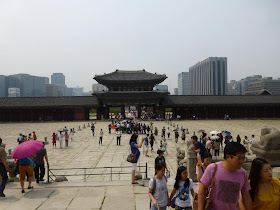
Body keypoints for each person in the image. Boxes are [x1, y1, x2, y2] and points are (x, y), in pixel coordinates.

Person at [198, 142, 252, 210]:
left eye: (243, 159)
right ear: (228, 156)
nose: (242, 161)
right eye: (239, 158)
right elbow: (202, 189)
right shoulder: (213, 168)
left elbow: (246, 196)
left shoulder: (243, 173)